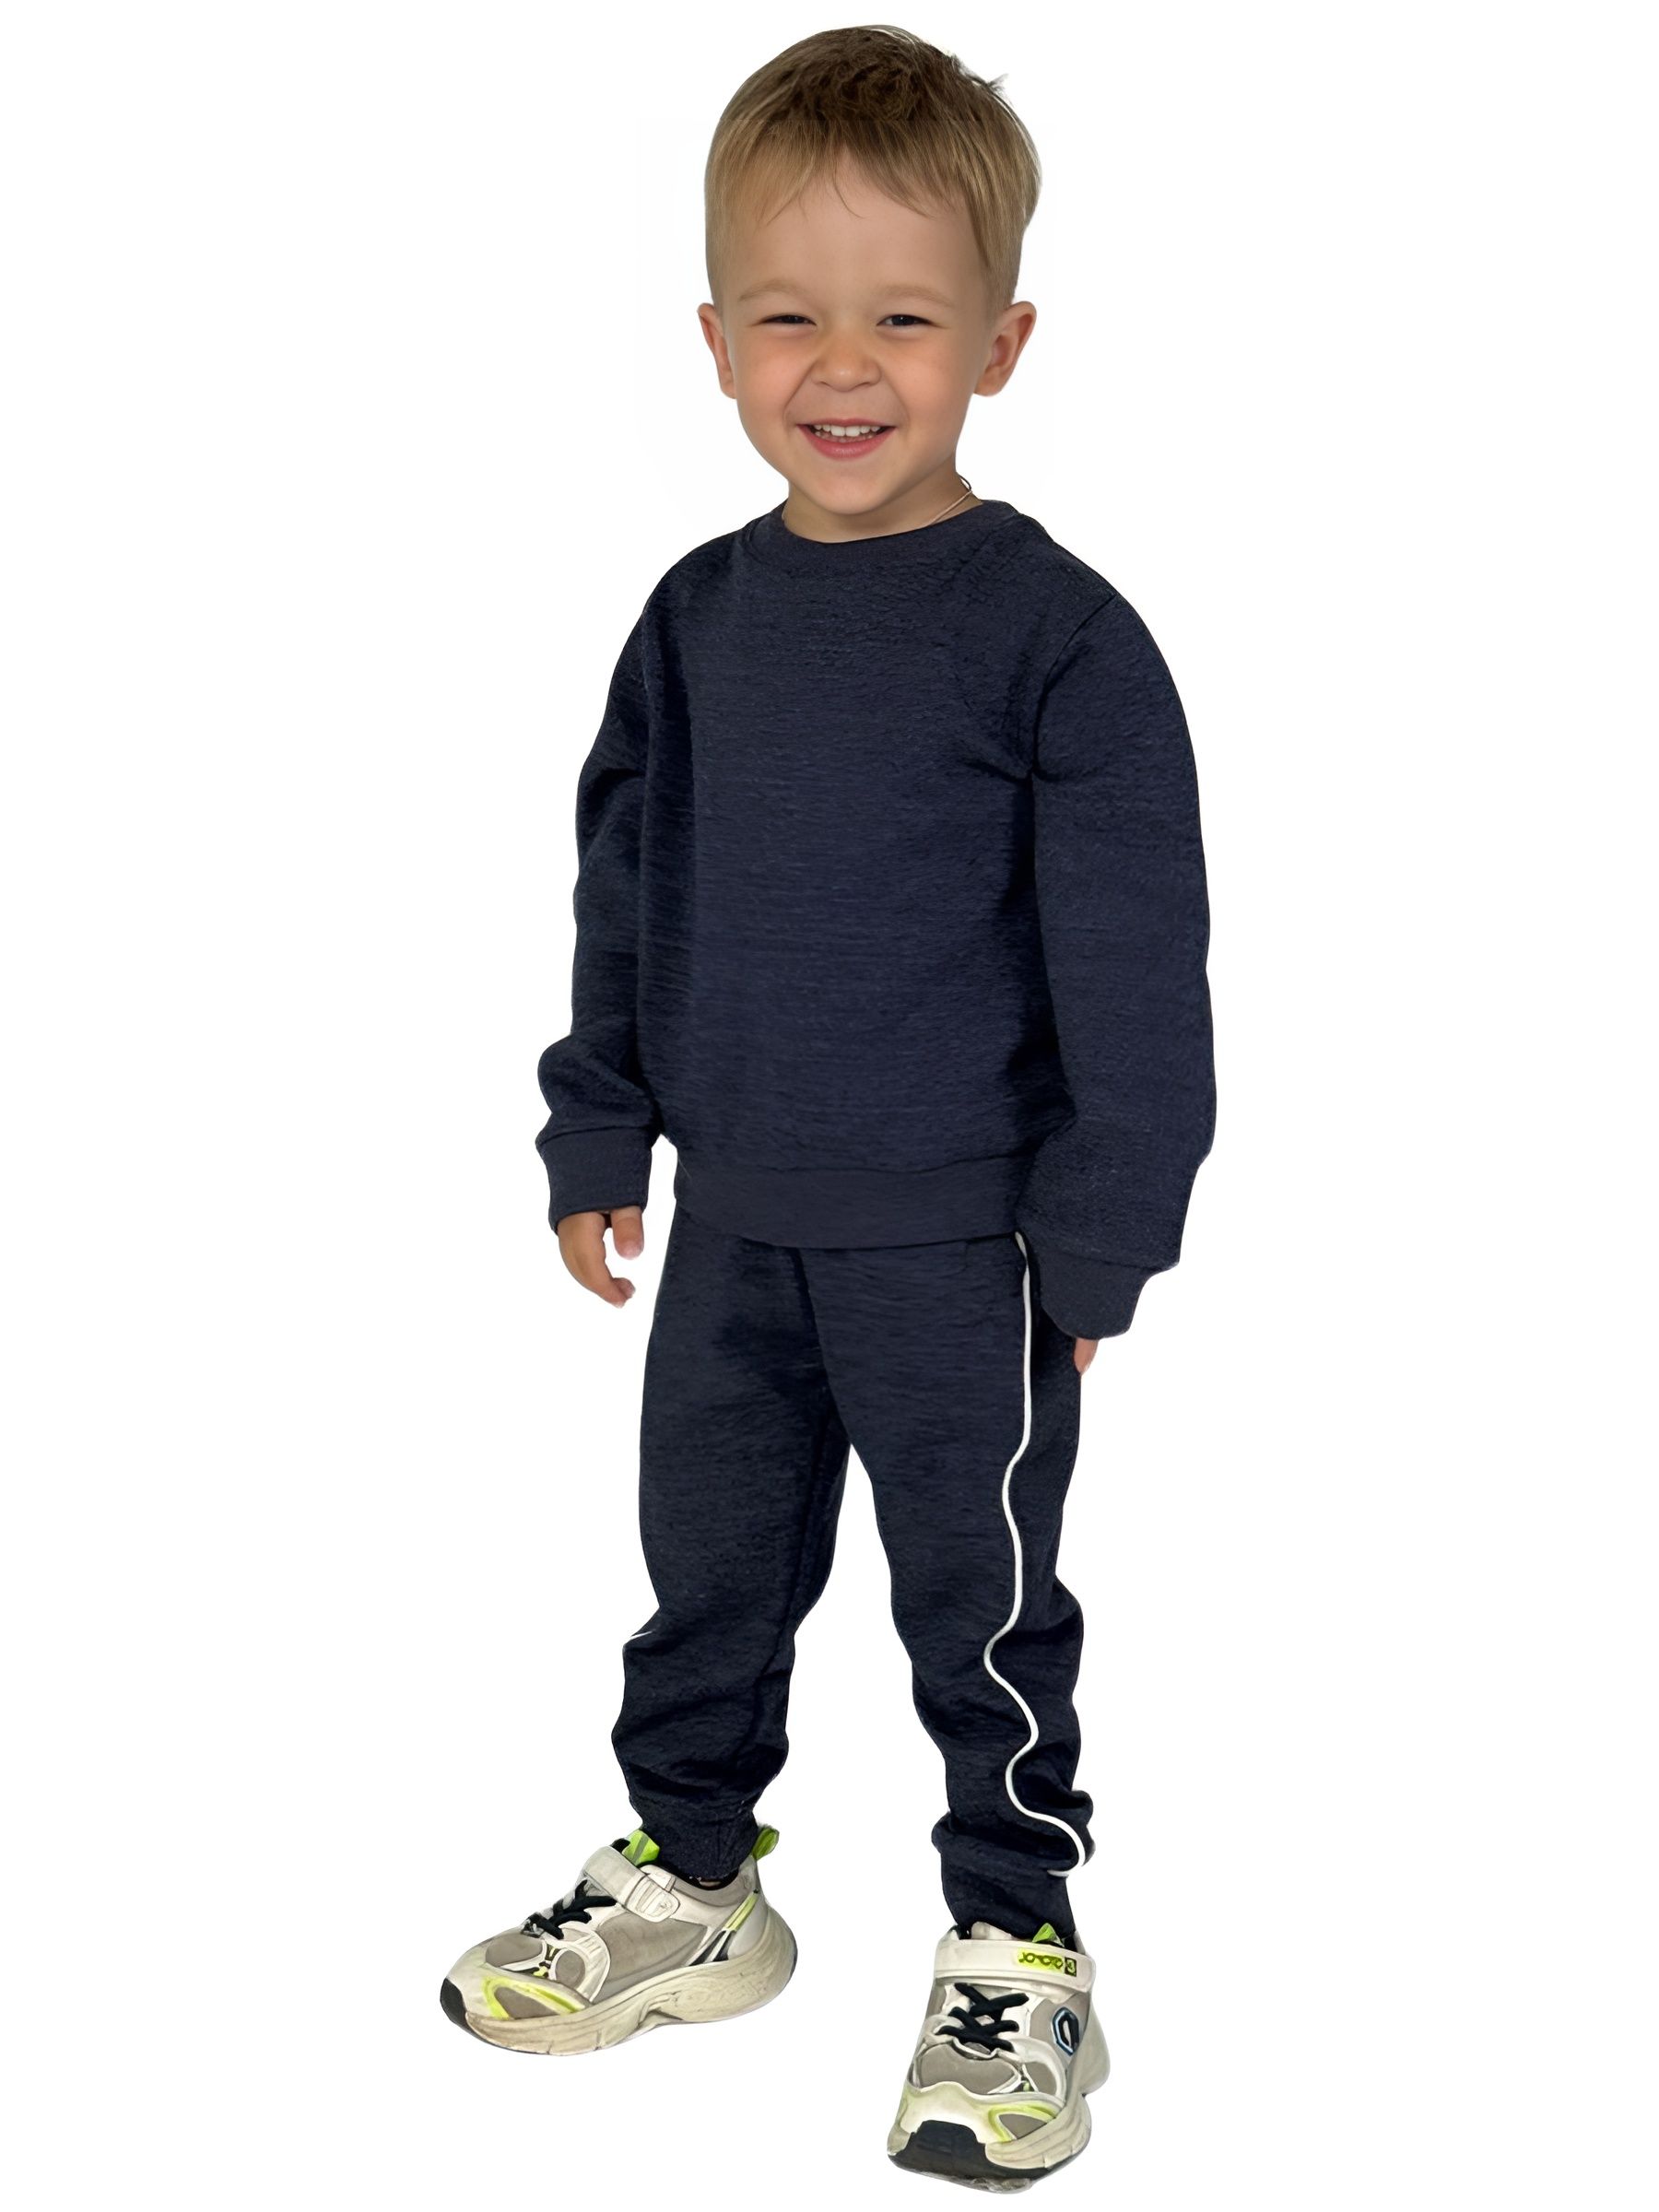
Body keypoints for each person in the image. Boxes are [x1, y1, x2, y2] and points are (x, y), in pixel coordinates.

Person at [439, 24, 1215, 2189]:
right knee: (705, 1581)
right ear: (713, 340)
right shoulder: (696, 621)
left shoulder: (1060, 640)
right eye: (788, 317)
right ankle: (699, 1883)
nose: (843, 368)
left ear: (1002, 344)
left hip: (969, 1252)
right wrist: (600, 1128)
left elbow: (1136, 957)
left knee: (980, 1619)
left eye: (905, 321)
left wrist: (1106, 1224)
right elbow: (627, 889)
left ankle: (1017, 1949)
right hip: (736, 1238)